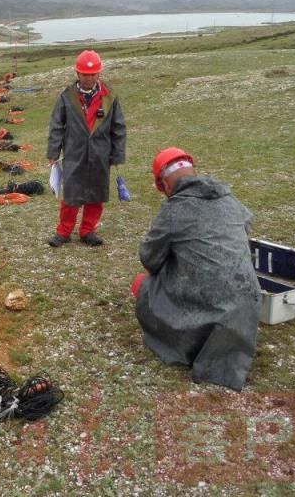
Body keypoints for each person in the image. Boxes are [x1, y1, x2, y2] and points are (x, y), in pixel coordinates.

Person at [132, 147, 261, 391]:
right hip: (249, 302)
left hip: (213, 305)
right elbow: (246, 224)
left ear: (164, 186)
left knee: (144, 285)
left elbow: (150, 259)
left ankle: (184, 342)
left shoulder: (174, 210)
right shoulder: (228, 197)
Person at [46, 50, 126, 247]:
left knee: (96, 194)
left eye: (92, 74)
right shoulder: (66, 97)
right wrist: (53, 153)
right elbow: (57, 125)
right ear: (77, 73)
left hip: (101, 155)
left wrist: (117, 154)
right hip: (74, 154)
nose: (88, 78)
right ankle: (63, 232)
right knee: (71, 195)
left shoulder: (110, 97)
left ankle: (88, 231)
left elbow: (119, 127)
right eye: (84, 74)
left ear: (99, 73)